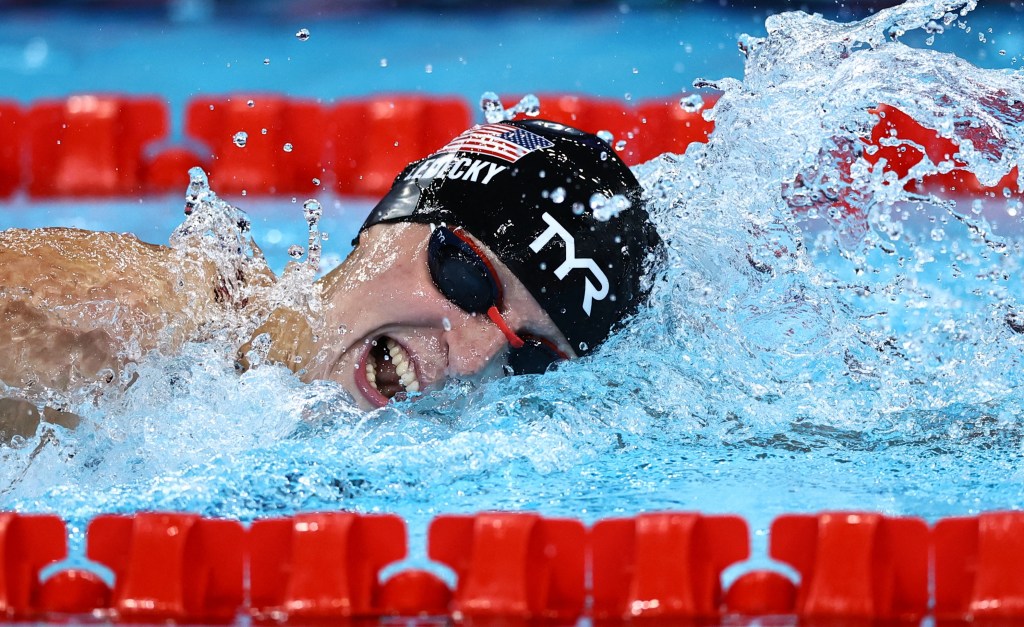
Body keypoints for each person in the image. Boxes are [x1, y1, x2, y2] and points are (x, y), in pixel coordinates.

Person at [0, 119, 662, 436]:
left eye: (533, 357)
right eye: (468, 278)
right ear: (389, 218)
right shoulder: (122, 327)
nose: (473, 357)